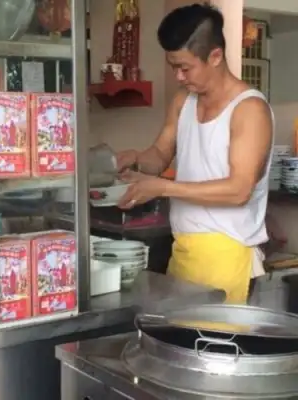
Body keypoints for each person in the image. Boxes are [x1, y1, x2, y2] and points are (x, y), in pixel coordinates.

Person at [117, 4, 274, 303]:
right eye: (173, 66)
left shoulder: (249, 110)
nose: (178, 76)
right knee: (178, 344)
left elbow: (238, 190)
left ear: (215, 56)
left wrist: (162, 187)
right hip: (184, 253)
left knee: (213, 346)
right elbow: (161, 153)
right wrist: (134, 158)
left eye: (185, 68)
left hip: (227, 255)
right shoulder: (183, 102)